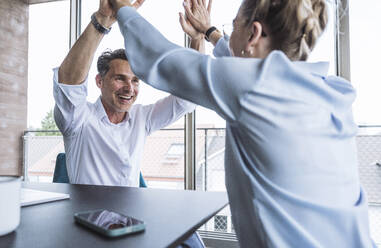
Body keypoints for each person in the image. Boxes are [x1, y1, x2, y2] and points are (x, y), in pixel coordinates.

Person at [105, 0, 376, 247]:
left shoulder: (256, 89)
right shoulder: (329, 90)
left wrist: (121, 9)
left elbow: (160, 58)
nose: (230, 33)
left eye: (233, 26)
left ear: (254, 34)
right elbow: (246, 64)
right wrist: (211, 32)